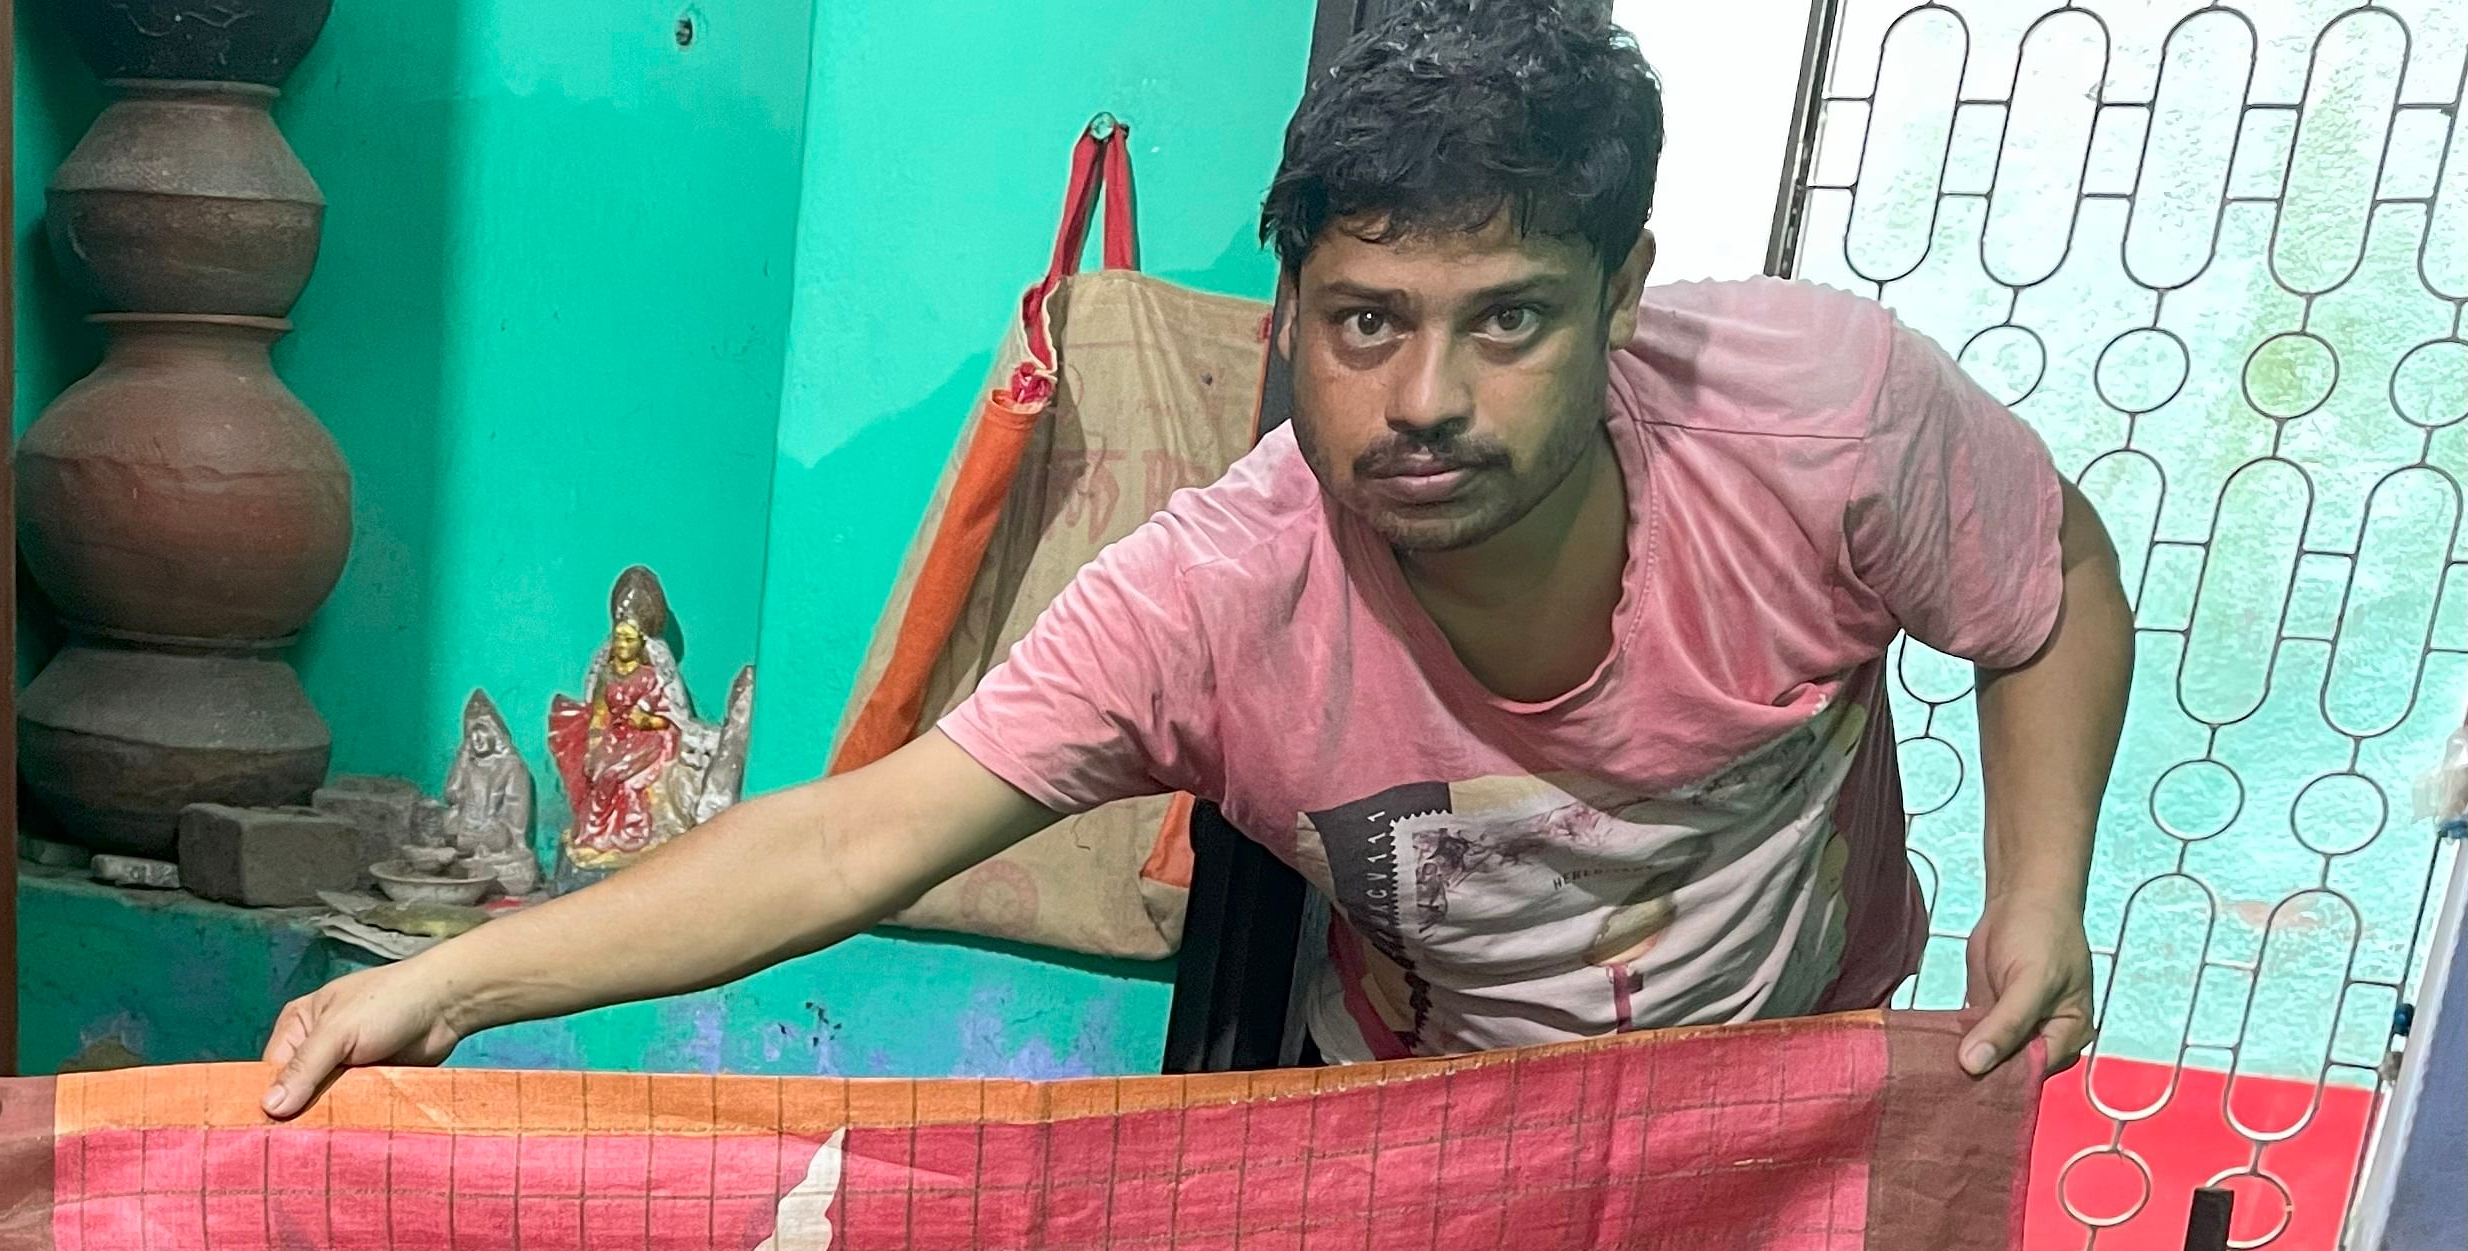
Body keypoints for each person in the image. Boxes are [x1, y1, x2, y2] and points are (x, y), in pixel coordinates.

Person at [263, 0, 2132, 1115]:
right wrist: (448, 982)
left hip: (1787, 1101)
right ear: (1287, 316)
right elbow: (852, 834)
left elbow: (2050, 579)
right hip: (1431, 1126)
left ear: (1622, 301)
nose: (1427, 400)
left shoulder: (1817, 416)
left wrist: (2037, 896)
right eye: (1366, 321)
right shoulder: (1216, 597)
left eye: (1508, 323)